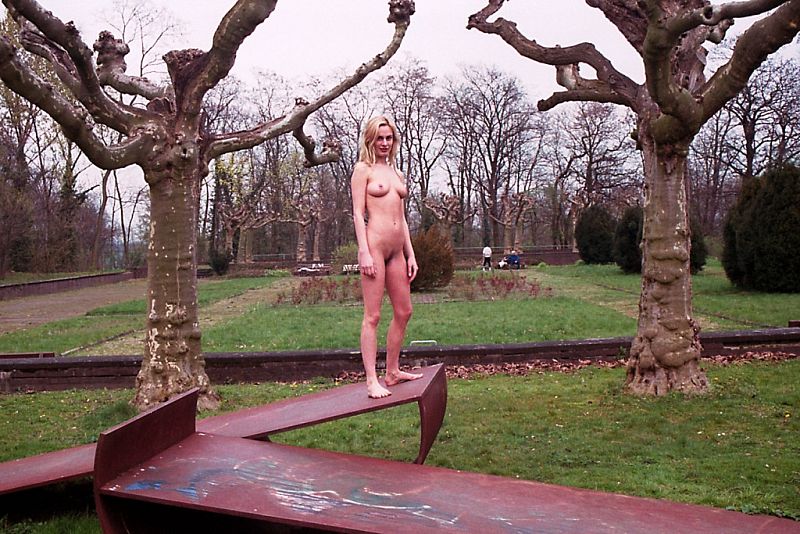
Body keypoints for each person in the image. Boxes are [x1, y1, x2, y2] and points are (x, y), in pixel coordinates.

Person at [351, 116, 423, 398]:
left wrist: (410, 254)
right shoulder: (363, 170)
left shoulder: (397, 173)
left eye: (388, 138)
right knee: (373, 315)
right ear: (370, 139)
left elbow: (402, 218)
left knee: (404, 311)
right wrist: (364, 252)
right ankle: (371, 380)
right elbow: (358, 213)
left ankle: (392, 372)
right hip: (375, 247)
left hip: (397, 252)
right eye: (379, 138)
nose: (384, 143)